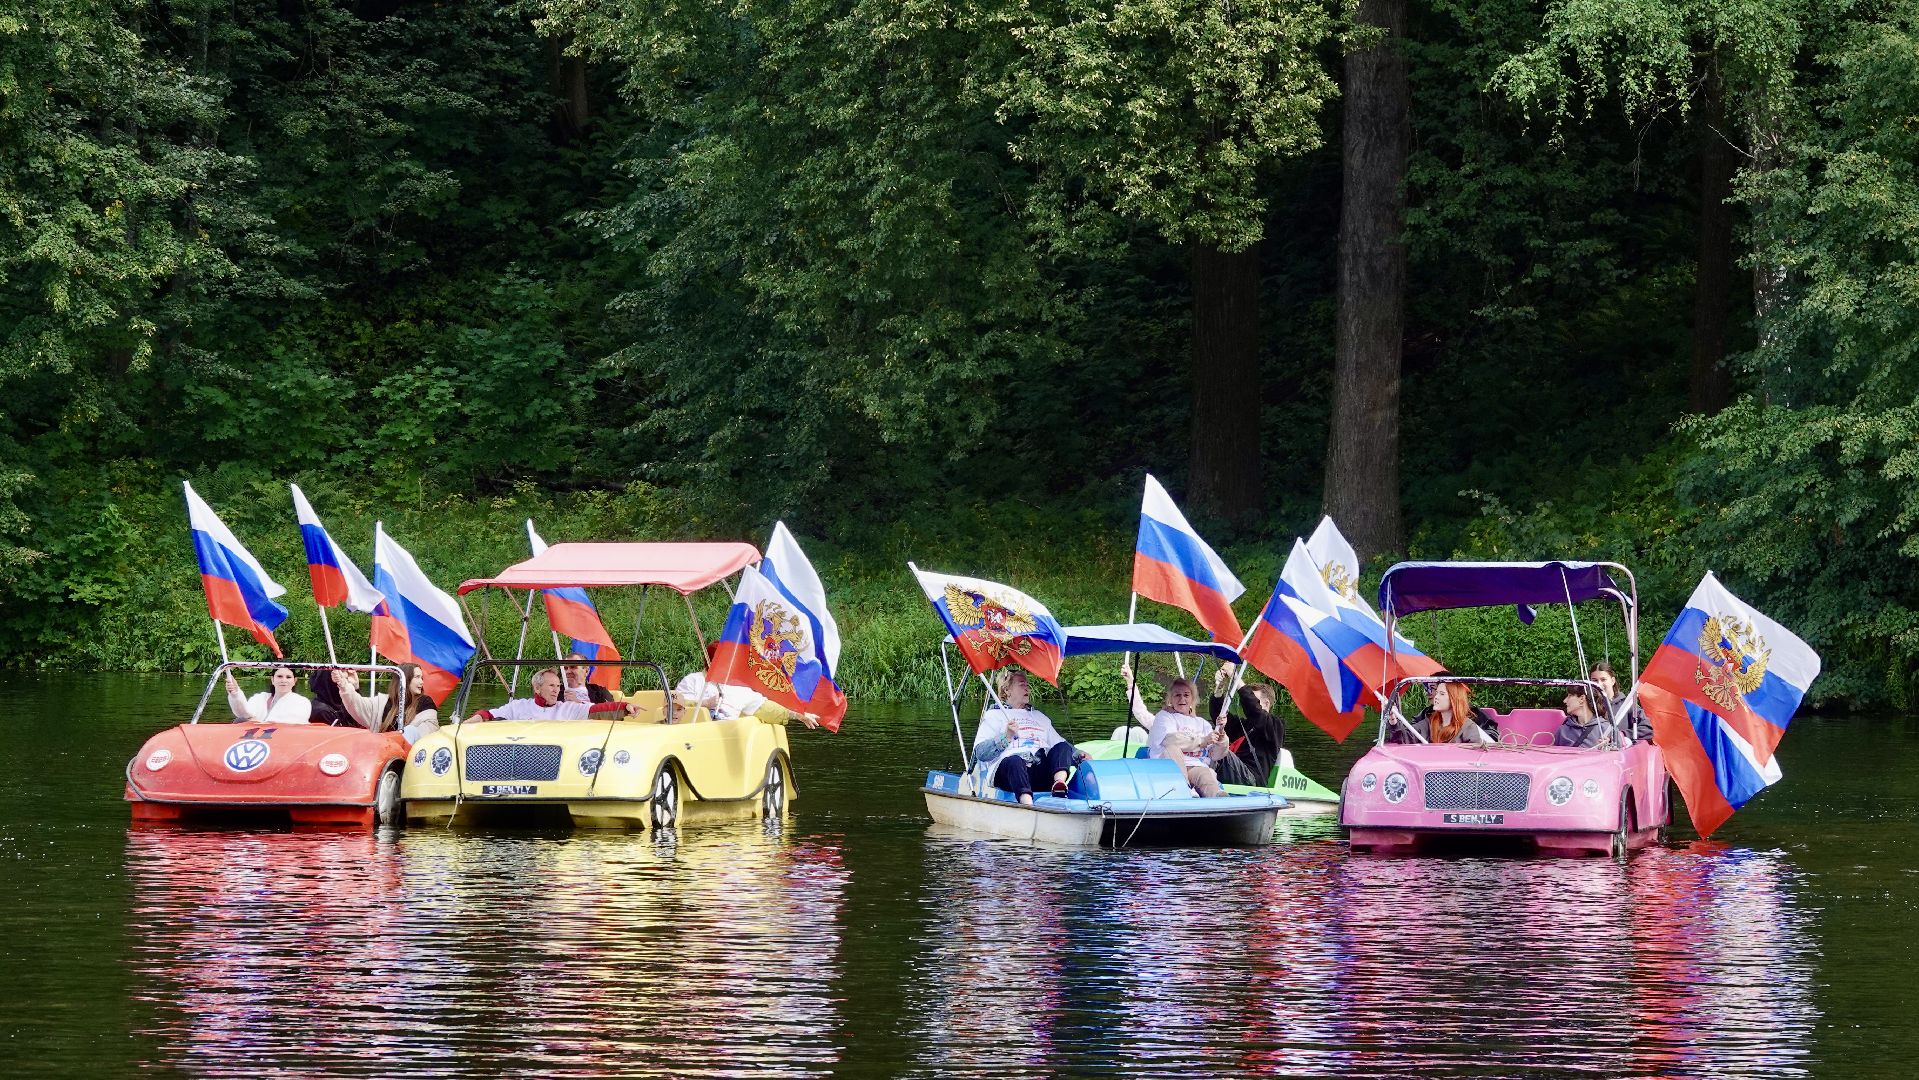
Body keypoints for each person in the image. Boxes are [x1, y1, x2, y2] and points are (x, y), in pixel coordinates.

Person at [1121, 659, 1236, 797]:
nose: (1182, 699)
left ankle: (1218, 797)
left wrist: (1221, 738)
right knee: (1172, 749)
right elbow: (1170, 739)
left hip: (1195, 766)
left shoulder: (1202, 724)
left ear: (1193, 699)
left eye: (1186, 695)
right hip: (1169, 769)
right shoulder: (1163, 718)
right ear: (1171, 699)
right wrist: (1130, 683)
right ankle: (1184, 790)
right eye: (1177, 695)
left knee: (1205, 773)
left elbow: (1216, 755)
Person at [972, 670, 1084, 803]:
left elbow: (1061, 748)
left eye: (1027, 685)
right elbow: (980, 753)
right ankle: (1027, 803)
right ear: (1007, 690)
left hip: (1040, 770)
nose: (1027, 688)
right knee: (1015, 761)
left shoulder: (1039, 717)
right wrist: (1006, 737)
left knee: (1062, 746)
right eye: (1021, 684)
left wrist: (1079, 754)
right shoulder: (994, 715)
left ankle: (1058, 785)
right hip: (1009, 771)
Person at [467, 668, 637, 722]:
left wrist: (624, 707)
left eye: (558, 686)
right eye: (551, 686)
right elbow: (489, 714)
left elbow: (598, 710)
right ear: (537, 688)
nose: (556, 690)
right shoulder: (519, 706)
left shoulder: (568, 709)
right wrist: (474, 719)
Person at [1211, 662, 1285, 786]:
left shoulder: (1276, 726)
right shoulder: (1244, 726)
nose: (1247, 702)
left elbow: (1255, 711)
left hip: (1251, 779)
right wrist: (1219, 689)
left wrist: (1236, 678)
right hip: (1232, 770)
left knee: (1219, 749)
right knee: (1203, 740)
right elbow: (1219, 714)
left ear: (1266, 704)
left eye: (1255, 699)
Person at [334, 663, 441, 744]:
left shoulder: (425, 703)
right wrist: (344, 685)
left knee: (410, 731)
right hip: (384, 756)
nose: (422, 682)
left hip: (411, 758)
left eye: (421, 678)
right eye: (417, 677)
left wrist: (400, 738)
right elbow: (358, 705)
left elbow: (429, 730)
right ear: (405, 679)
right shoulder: (384, 702)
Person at [1389, 682, 1496, 745]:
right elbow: (1403, 738)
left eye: (1442, 694)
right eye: (1437, 693)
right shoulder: (1428, 723)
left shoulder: (1468, 727)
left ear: (1453, 699)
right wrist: (1394, 721)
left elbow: (1476, 757)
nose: (1436, 697)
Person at [1590, 659, 1653, 742]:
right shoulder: (1588, 705)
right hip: (1593, 753)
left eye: (1603, 679)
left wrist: (1621, 736)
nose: (1599, 684)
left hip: (1618, 753)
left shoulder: (1627, 705)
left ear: (1612, 681)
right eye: (1594, 680)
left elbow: (1647, 729)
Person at [226, 666, 312, 725]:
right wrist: (235, 693)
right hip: (257, 739)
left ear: (294, 681)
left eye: (288, 677)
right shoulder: (260, 698)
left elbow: (290, 723)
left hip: (285, 741)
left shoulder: (302, 702)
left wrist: (256, 722)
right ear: (272, 679)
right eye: (279, 676)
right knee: (239, 721)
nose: (283, 680)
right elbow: (244, 714)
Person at [1553, 685, 1617, 749]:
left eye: (1569, 696)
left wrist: (1607, 751)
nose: (1564, 701)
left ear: (1582, 699)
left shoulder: (1607, 729)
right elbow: (1553, 756)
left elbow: (1619, 756)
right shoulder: (1563, 730)